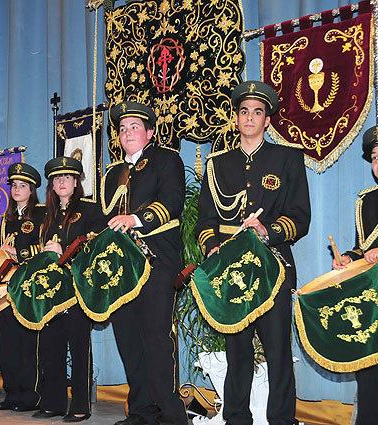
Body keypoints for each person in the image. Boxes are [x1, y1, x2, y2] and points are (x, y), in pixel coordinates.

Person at [196, 81, 310, 425]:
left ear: (267, 120)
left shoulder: (287, 159)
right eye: (244, 111)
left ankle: (282, 420)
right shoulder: (217, 164)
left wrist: (270, 230)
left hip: (271, 269)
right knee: (237, 352)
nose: (250, 117)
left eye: (257, 112)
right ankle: (236, 419)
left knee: (277, 352)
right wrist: (212, 247)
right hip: (232, 271)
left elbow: (300, 216)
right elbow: (205, 219)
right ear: (235, 119)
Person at [101, 101, 187, 425]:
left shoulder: (167, 160)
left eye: (134, 127)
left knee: (156, 340)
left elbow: (172, 202)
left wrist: (135, 219)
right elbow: (104, 219)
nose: (127, 133)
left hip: (157, 262)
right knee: (129, 341)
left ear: (149, 132)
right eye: (122, 129)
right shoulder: (113, 175)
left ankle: (171, 415)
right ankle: (141, 413)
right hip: (121, 269)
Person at [33, 156, 102, 423]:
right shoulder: (46, 214)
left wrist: (66, 250)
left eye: (67, 177)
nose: (61, 182)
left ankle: (81, 406)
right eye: (56, 178)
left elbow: (96, 244)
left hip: (77, 288)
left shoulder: (90, 208)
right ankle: (53, 403)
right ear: (52, 184)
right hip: (51, 290)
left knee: (79, 348)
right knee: (51, 347)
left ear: (76, 181)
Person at [331, 126, 378, 425]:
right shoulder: (368, 201)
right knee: (370, 373)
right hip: (372, 300)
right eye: (375, 157)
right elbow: (364, 248)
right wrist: (348, 257)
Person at [0, 162, 44, 412]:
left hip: (30, 286)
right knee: (8, 344)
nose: (16, 190)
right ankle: (11, 393)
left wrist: (19, 252)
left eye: (22, 185)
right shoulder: (7, 219)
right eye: (13, 185)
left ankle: (31, 395)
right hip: (7, 286)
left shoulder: (42, 213)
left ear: (32, 189)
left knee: (28, 343)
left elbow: (45, 249)